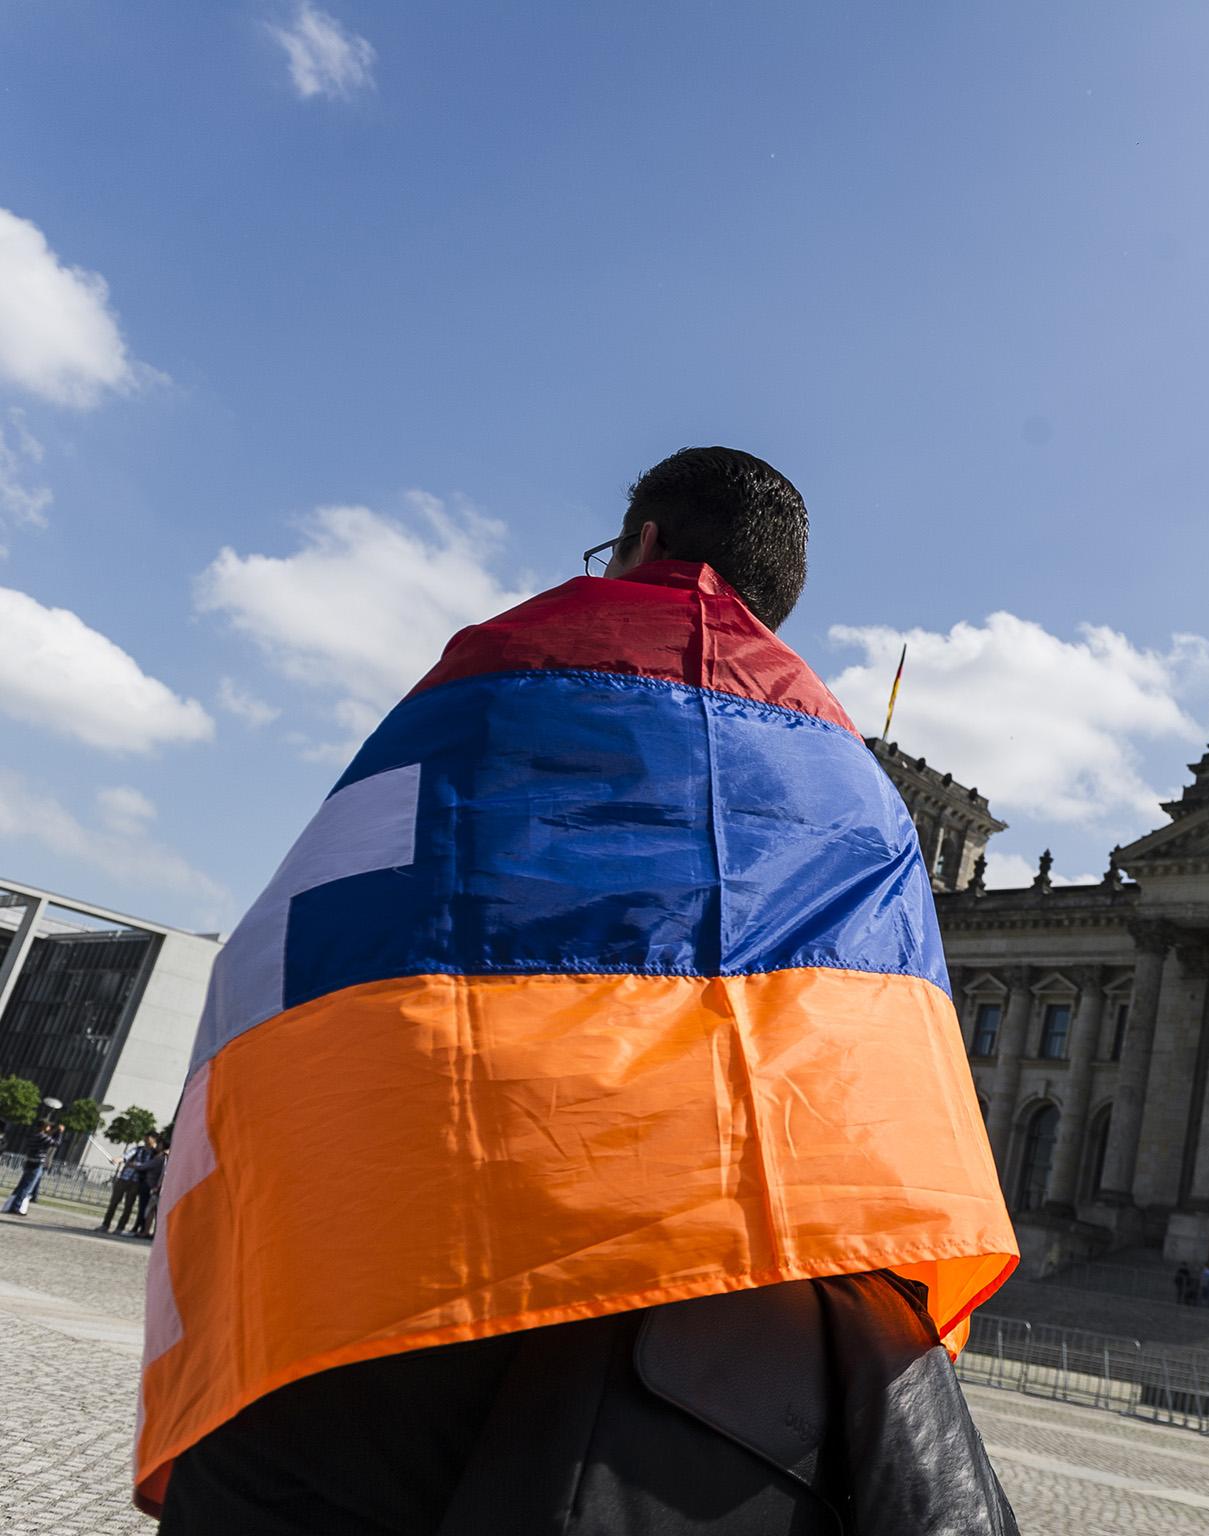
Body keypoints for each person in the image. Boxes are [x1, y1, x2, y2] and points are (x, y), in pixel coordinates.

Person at [145, 448, 1021, 1533]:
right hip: (741, 1313)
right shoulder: (848, 778)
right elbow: (886, 1076)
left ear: (641, 542)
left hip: (413, 1260)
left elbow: (302, 944)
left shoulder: (499, 675)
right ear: (776, 597)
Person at [100, 1133, 156, 1233]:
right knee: (113, 1203)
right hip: (124, 1178)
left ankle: (120, 1227)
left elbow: (149, 1166)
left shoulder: (154, 1154)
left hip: (137, 1182)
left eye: (149, 1137)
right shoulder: (138, 1149)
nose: (146, 1139)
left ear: (154, 1140)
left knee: (128, 1206)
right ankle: (105, 1225)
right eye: (146, 1137)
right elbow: (126, 1156)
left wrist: (136, 1165)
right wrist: (118, 1160)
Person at [3, 1119, 59, 1215]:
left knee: (22, 1185)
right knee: (27, 1187)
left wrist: (53, 1131)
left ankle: (10, 1204)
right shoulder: (42, 1137)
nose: (49, 1127)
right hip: (36, 1164)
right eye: (48, 1126)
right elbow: (56, 1143)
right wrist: (59, 1133)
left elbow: (46, 1139)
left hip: (29, 1162)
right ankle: (16, 1206)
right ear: (43, 1127)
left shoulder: (34, 1135)